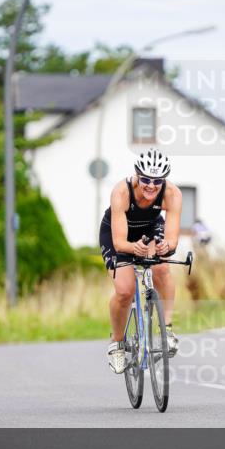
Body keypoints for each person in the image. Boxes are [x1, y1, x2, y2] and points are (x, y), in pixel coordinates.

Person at [99, 148, 182, 373]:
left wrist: (166, 246)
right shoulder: (121, 192)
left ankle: (167, 329)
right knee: (125, 291)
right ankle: (117, 343)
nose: (151, 186)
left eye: (157, 181)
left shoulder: (172, 194)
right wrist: (133, 248)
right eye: (145, 179)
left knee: (162, 267)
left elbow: (172, 239)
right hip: (118, 234)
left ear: (164, 180)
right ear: (137, 175)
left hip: (150, 227)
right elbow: (120, 243)